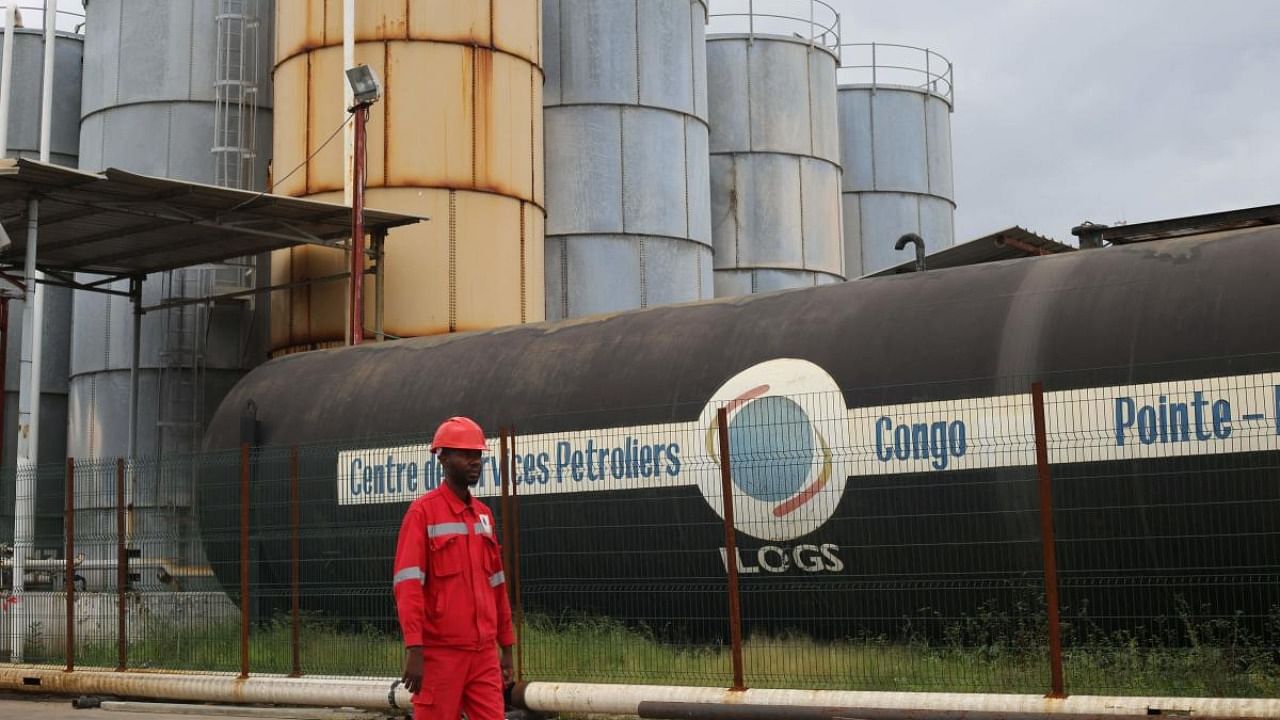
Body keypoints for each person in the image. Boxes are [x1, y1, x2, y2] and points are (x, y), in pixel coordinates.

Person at [393, 416, 514, 720]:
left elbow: (497, 585)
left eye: (478, 455)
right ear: (443, 457)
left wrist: (507, 646)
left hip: (483, 653)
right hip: (439, 655)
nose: (475, 462)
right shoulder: (423, 514)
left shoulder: (484, 516)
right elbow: (408, 585)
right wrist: (415, 649)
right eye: (466, 455)